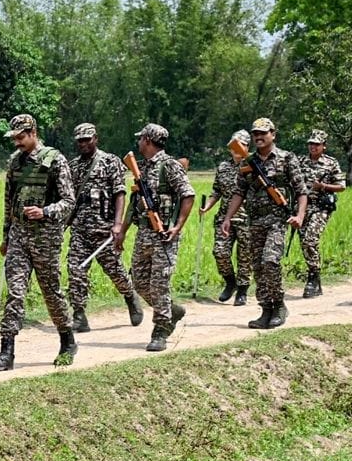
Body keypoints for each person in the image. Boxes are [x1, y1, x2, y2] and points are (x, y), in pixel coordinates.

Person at [0, 114, 77, 371]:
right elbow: (8, 201)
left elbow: (69, 201)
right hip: (18, 236)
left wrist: (45, 211)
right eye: (14, 138)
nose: (17, 142)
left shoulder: (55, 160)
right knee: (15, 292)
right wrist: (6, 236)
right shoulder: (15, 162)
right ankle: (7, 351)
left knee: (51, 292)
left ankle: (67, 340)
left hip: (45, 238)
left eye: (21, 137)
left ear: (33, 133)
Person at [220, 118, 308, 329]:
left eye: (263, 133)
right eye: (255, 134)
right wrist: (228, 218)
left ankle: (279, 306)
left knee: (270, 261)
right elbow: (239, 192)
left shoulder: (287, 158)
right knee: (258, 267)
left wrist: (300, 216)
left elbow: (301, 190)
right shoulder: (247, 162)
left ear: (273, 134)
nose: (258, 137)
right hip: (255, 221)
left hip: (277, 219)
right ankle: (265, 309)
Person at [115, 124, 194, 352]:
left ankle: (161, 330)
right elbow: (134, 203)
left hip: (164, 235)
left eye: (141, 139)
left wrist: (177, 227)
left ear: (148, 140)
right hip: (144, 234)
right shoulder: (140, 167)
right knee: (139, 282)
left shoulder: (170, 166)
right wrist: (123, 231)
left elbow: (188, 195)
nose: (139, 142)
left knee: (159, 284)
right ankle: (171, 310)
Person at [65, 123, 143, 332]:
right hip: (80, 229)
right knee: (75, 270)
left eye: (87, 139)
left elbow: (120, 193)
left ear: (95, 139)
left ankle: (130, 296)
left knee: (114, 270)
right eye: (80, 140)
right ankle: (79, 314)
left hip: (104, 229)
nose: (83, 144)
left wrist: (117, 224)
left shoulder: (110, 161)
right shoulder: (73, 166)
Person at [201, 130, 253, 306]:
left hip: (247, 218)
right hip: (225, 219)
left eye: (241, 145)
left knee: (244, 257)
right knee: (220, 252)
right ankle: (230, 282)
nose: (236, 149)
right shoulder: (223, 167)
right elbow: (216, 191)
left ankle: (243, 289)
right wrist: (207, 206)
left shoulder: (254, 165)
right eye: (233, 146)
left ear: (247, 147)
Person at [298, 129, 344, 298]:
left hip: (321, 208)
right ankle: (315, 276)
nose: (313, 147)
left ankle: (312, 278)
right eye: (311, 144)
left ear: (324, 146)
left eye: (317, 144)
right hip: (303, 208)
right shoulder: (300, 161)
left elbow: (341, 186)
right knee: (305, 243)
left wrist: (323, 186)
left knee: (310, 240)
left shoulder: (331, 163)